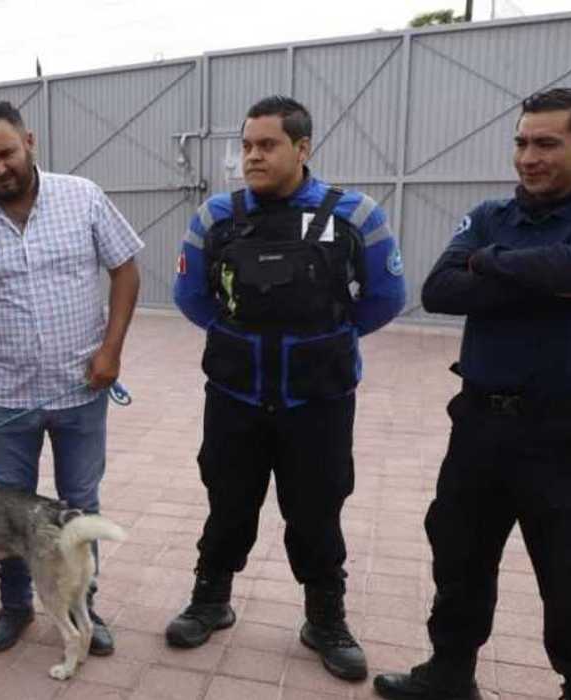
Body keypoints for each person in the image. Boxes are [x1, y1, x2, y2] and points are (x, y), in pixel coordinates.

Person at [170, 95, 406, 681]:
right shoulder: (215, 218)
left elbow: (385, 298)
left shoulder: (357, 215)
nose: (252, 156)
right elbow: (191, 297)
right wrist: (241, 340)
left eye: (267, 145)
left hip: (318, 401)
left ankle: (325, 618)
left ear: (302, 149)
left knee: (317, 510)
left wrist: (324, 340)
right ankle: (210, 599)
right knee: (228, 501)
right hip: (235, 397)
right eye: (247, 145)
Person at [374, 88, 571, 700]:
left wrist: (489, 267)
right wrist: (540, 275)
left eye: (547, 143)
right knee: (459, 555)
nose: (529, 157)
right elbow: (440, 290)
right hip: (479, 426)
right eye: (522, 142)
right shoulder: (491, 215)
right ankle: (449, 674)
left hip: (569, 431)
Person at [0, 101, 144, 656]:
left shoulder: (83, 197)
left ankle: (83, 605)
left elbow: (125, 269)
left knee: (79, 500)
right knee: (9, 508)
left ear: (29, 142)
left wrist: (112, 349)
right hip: (7, 398)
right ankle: (14, 606)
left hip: (83, 388)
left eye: (5, 153)